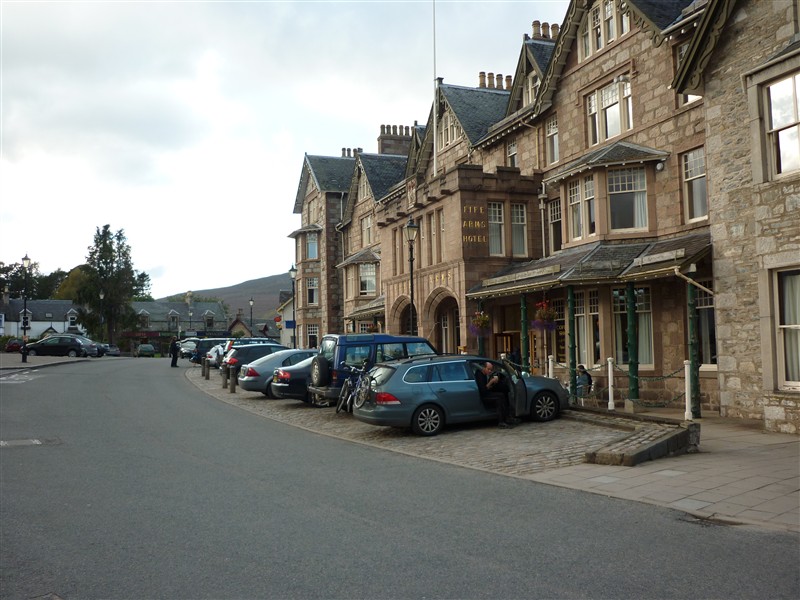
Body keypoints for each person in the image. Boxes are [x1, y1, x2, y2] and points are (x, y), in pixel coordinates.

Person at [475, 361, 513, 428]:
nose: (490, 371)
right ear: (483, 368)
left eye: (491, 369)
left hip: (487, 392)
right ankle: (501, 421)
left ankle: (507, 417)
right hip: (484, 395)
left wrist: (493, 382)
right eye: (488, 369)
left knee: (502, 393)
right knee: (499, 398)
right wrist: (491, 381)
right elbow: (484, 390)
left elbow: (488, 387)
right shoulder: (479, 375)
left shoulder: (485, 374)